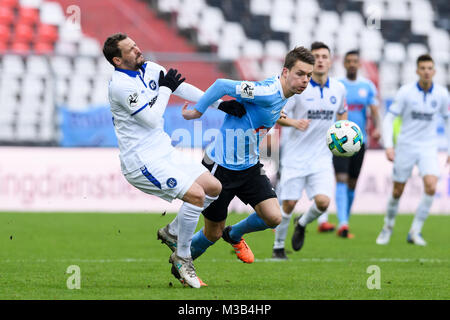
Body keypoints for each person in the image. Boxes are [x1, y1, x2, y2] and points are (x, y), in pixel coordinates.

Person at [157, 46, 315, 279]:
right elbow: (221, 84)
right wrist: (198, 112)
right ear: (285, 72)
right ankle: (183, 261)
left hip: (249, 166)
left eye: (309, 75)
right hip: (220, 167)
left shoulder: (283, 95)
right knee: (212, 233)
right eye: (300, 73)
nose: (305, 80)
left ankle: (234, 234)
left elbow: (265, 114)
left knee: (274, 217)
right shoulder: (268, 92)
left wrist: (290, 122)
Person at [103, 33, 246, 288]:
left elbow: (180, 87)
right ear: (117, 59)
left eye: (136, 44)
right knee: (196, 196)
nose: (137, 49)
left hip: (163, 150)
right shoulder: (120, 85)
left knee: (213, 188)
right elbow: (149, 118)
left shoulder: (149, 68)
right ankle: (183, 258)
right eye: (130, 49)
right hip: (141, 162)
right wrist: (166, 87)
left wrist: (220, 105)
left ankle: (171, 232)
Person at [272, 42, 348, 259]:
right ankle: (278, 247)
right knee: (288, 204)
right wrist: (295, 123)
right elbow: (278, 114)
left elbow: (342, 113)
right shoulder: (298, 88)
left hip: (322, 157)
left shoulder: (339, 89)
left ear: (331, 61)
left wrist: (343, 132)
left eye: (325, 56)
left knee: (323, 202)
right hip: (295, 156)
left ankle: (302, 223)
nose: (321, 60)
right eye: (317, 57)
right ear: (311, 63)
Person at [376, 54, 449, 246]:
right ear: (417, 71)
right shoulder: (405, 92)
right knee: (398, 190)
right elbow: (389, 119)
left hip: (428, 147)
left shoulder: (441, 94)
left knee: (432, 186)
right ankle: (387, 227)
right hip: (406, 145)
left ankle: (415, 231)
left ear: (434, 71)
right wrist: (389, 145)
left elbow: (447, 120)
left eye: (429, 68)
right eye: (423, 68)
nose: (426, 71)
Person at [332, 50, 381, 238]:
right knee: (341, 179)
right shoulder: (338, 85)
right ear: (344, 64)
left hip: (360, 142)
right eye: (349, 61)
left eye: (355, 61)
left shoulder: (366, 86)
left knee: (352, 183)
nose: (352, 64)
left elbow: (375, 111)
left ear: (359, 64)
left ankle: (345, 219)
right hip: (339, 141)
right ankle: (343, 223)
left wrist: (378, 129)